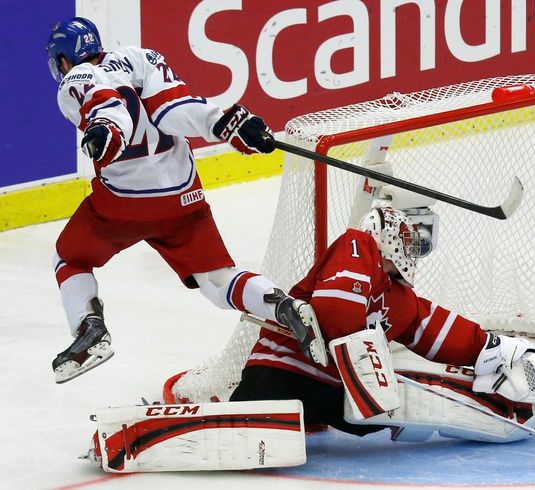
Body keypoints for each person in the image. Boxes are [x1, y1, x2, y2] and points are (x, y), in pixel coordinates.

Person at [45, 17, 327, 384]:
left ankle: (89, 333)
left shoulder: (73, 81)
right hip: (183, 196)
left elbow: (107, 106)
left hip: (125, 204)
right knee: (216, 280)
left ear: (65, 59)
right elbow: (175, 109)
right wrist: (228, 124)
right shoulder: (140, 57)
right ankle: (283, 305)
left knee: (70, 257)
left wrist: (107, 133)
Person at [212, 205, 535, 439]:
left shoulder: (401, 299)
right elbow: (335, 310)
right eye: (406, 240)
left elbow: (437, 330)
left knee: (397, 408)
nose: (411, 251)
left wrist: (494, 350)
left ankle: (497, 412)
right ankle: (215, 424)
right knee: (249, 421)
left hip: (334, 393)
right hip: (283, 370)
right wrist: (368, 370)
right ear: (386, 235)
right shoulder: (357, 245)